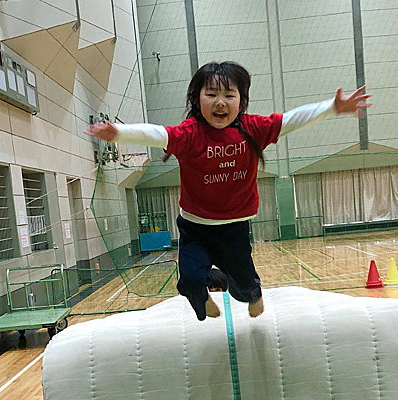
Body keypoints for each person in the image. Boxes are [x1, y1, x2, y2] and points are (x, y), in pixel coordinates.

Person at [85, 61, 371, 320]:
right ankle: (207, 290)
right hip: (195, 228)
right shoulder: (190, 134)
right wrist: (120, 133)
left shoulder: (252, 128)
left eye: (229, 95)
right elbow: (158, 133)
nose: (220, 102)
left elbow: (291, 120)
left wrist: (332, 108)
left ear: (241, 101)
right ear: (198, 99)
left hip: (234, 229)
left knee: (244, 287)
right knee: (189, 282)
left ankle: (253, 293)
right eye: (211, 94)